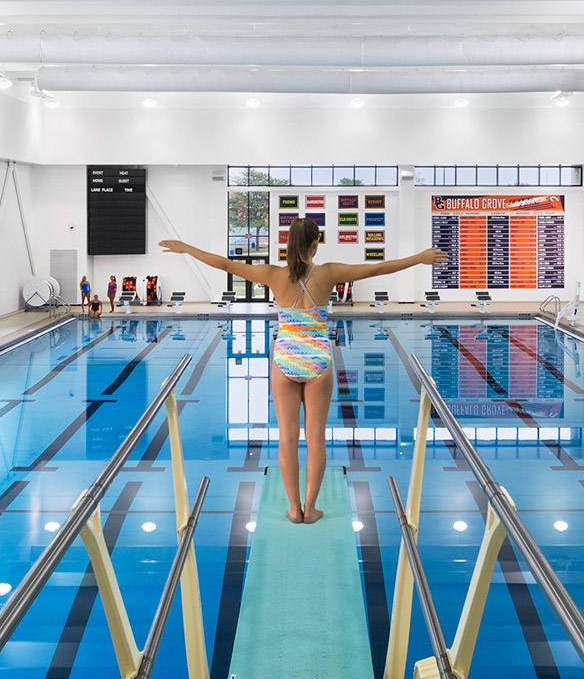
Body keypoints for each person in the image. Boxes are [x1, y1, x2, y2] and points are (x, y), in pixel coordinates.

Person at [162, 221, 444, 523]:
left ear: (288, 244)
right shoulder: (328, 273)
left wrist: (186, 248)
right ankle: (311, 509)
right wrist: (419, 258)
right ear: (315, 244)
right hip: (319, 362)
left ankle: (293, 509)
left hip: (284, 361)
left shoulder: (272, 274)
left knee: (287, 439)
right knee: (316, 440)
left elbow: (225, 264)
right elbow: (377, 269)